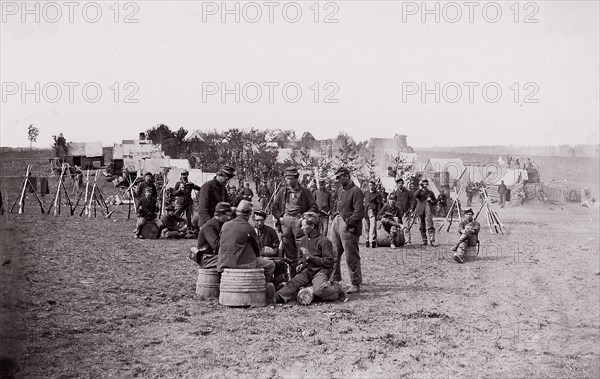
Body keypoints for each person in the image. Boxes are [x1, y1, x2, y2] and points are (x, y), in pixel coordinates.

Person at [273, 212, 345, 304]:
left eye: (304, 225)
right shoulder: (304, 240)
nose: (301, 228)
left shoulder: (324, 241)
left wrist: (311, 258)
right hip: (308, 270)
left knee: (319, 290)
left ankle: (336, 289)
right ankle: (278, 296)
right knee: (293, 283)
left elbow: (329, 262)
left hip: (321, 271)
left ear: (312, 226)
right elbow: (300, 257)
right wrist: (300, 264)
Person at [271, 166, 318, 279]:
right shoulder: (282, 192)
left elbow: (314, 206)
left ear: (297, 178)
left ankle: (303, 277)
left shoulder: (305, 192)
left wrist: (304, 217)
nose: (289, 181)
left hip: (299, 222)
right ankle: (293, 277)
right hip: (286, 222)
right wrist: (280, 217)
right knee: (288, 250)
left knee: (302, 249)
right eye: (287, 179)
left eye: (291, 178)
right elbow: (274, 207)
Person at [217, 200, 276, 285]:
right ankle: (262, 288)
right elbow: (257, 251)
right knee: (270, 265)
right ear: (248, 215)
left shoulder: (225, 225)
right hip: (240, 263)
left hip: (223, 262)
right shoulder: (248, 228)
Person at [330, 167, 365, 294]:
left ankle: (355, 283)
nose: (337, 179)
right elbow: (337, 204)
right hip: (337, 222)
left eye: (339, 177)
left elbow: (359, 212)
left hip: (349, 226)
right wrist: (335, 215)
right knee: (333, 253)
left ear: (346, 176)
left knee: (351, 256)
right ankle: (334, 280)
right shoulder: (340, 190)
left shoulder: (356, 191)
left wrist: (348, 221)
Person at [190, 202, 232, 268]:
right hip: (206, 258)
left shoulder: (220, 224)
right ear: (220, 215)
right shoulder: (209, 226)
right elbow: (217, 246)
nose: (229, 218)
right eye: (227, 215)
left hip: (215, 256)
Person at [253, 210, 288, 286]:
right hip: (255, 259)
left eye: (261, 220)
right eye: (257, 220)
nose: (259, 223)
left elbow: (276, 247)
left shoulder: (270, 231)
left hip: (269, 258)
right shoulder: (251, 232)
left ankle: (276, 282)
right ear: (253, 220)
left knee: (278, 264)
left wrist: (271, 251)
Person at [413, 179, 438, 246]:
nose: (425, 186)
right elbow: (414, 195)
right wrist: (420, 189)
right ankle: (424, 240)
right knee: (422, 226)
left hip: (428, 210)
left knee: (429, 224)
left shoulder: (430, 193)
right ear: (422, 185)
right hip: (420, 210)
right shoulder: (419, 192)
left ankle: (432, 240)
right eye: (424, 185)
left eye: (427, 185)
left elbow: (435, 201)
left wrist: (431, 201)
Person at [393, 178, 414, 246]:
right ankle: (397, 240)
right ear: (397, 184)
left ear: (403, 184)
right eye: (399, 183)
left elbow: (413, 200)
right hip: (397, 212)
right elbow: (391, 201)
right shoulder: (395, 193)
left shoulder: (408, 192)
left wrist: (411, 208)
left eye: (401, 183)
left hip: (406, 212)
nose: (400, 185)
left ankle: (407, 241)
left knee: (406, 227)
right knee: (396, 226)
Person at [363, 179, 383, 248]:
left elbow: (380, 204)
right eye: (369, 185)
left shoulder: (378, 194)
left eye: (372, 185)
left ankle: (372, 241)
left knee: (373, 226)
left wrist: (379, 213)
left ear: (374, 186)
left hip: (373, 212)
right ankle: (367, 239)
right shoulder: (365, 193)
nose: (370, 187)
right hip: (365, 212)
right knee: (366, 227)